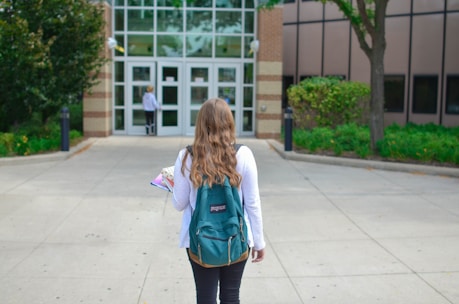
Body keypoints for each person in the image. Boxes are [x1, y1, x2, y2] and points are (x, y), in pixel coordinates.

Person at [172, 98, 265, 304]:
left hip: (199, 240)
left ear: (200, 124)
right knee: (231, 296)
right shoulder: (243, 154)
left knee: (205, 297)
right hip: (237, 236)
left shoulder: (186, 157)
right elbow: (252, 203)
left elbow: (179, 203)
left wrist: (173, 183)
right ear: (229, 123)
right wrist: (259, 241)